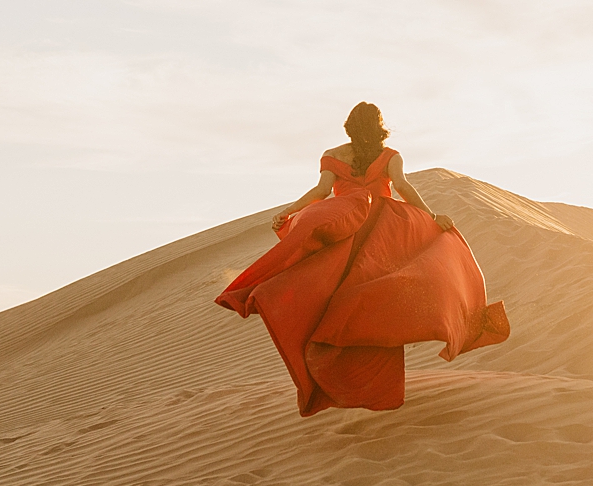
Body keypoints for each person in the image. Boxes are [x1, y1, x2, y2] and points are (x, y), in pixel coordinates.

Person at [216, 102, 509, 416]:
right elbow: (401, 187)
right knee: (384, 294)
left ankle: (280, 311)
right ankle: (384, 371)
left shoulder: (332, 155)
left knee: (327, 290)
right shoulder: (390, 156)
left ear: (349, 127)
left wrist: (289, 211)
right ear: (379, 127)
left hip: (346, 228)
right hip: (386, 231)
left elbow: (321, 192)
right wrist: (431, 216)